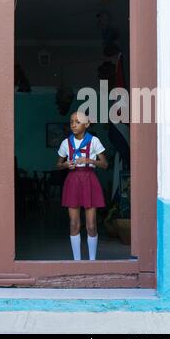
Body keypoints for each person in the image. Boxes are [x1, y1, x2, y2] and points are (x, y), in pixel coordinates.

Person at [56, 111, 108, 260]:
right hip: (73, 181)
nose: (73, 125)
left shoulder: (94, 141)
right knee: (74, 224)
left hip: (89, 180)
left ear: (87, 124)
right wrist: (66, 164)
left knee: (91, 225)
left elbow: (104, 164)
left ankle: (92, 261)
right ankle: (77, 261)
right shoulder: (66, 143)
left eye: (77, 122)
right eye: (71, 121)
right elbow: (57, 164)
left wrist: (89, 161)